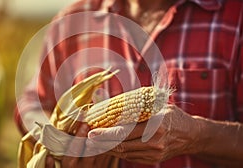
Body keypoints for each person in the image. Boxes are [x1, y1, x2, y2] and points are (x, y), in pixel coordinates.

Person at [15, 0, 243, 167]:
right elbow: (31, 102)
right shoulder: (71, 22)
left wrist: (196, 136)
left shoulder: (236, 19)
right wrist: (57, 141)